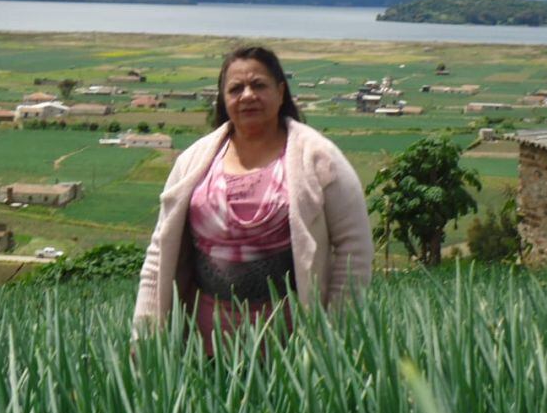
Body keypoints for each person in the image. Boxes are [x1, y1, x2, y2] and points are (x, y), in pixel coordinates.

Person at [133, 45, 373, 349]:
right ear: (223, 98)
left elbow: (356, 247)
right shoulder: (193, 161)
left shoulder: (319, 158)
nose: (247, 95)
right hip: (201, 346)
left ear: (281, 91)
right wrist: (143, 335)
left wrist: (336, 334)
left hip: (294, 347)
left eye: (259, 85)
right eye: (236, 88)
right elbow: (159, 252)